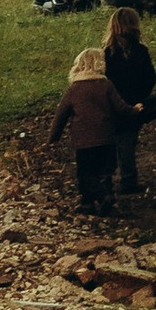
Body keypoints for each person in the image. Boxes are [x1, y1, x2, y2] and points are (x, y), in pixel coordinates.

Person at [47, 45, 124, 218]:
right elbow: (120, 107)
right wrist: (135, 110)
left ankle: (92, 201)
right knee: (105, 172)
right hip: (106, 138)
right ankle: (105, 199)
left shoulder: (74, 88)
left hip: (84, 141)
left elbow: (61, 115)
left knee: (85, 173)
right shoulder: (106, 85)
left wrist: (53, 137)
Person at [101, 7, 156, 197]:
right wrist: (140, 98)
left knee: (109, 144)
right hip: (133, 105)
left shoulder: (106, 54)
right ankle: (128, 180)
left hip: (111, 106)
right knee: (127, 143)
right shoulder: (140, 51)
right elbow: (151, 78)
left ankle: (106, 180)